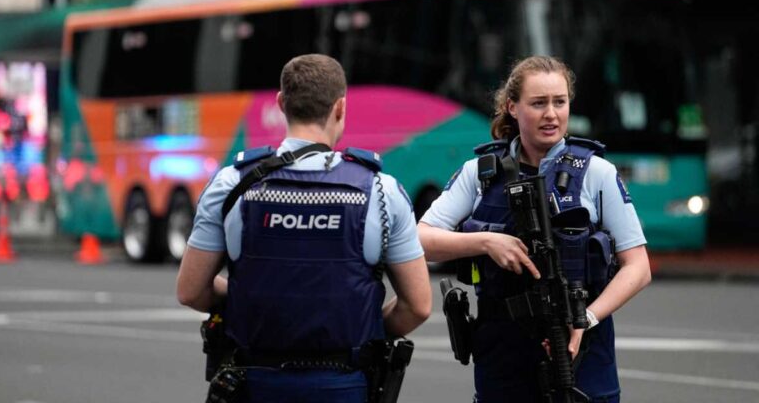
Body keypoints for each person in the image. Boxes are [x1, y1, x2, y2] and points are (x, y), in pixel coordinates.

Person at [177, 54, 432, 403]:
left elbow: (191, 291)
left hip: (255, 382)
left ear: (281, 104)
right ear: (340, 107)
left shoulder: (231, 184)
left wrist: (245, 300)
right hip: (344, 383)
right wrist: (362, 329)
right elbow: (417, 306)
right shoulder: (381, 191)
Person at [418, 56, 651, 402]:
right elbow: (421, 240)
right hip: (502, 354)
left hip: (579, 348)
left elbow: (639, 267)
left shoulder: (597, 172)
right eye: (538, 103)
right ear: (512, 107)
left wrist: (585, 319)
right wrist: (485, 242)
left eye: (560, 102)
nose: (551, 114)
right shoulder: (480, 173)